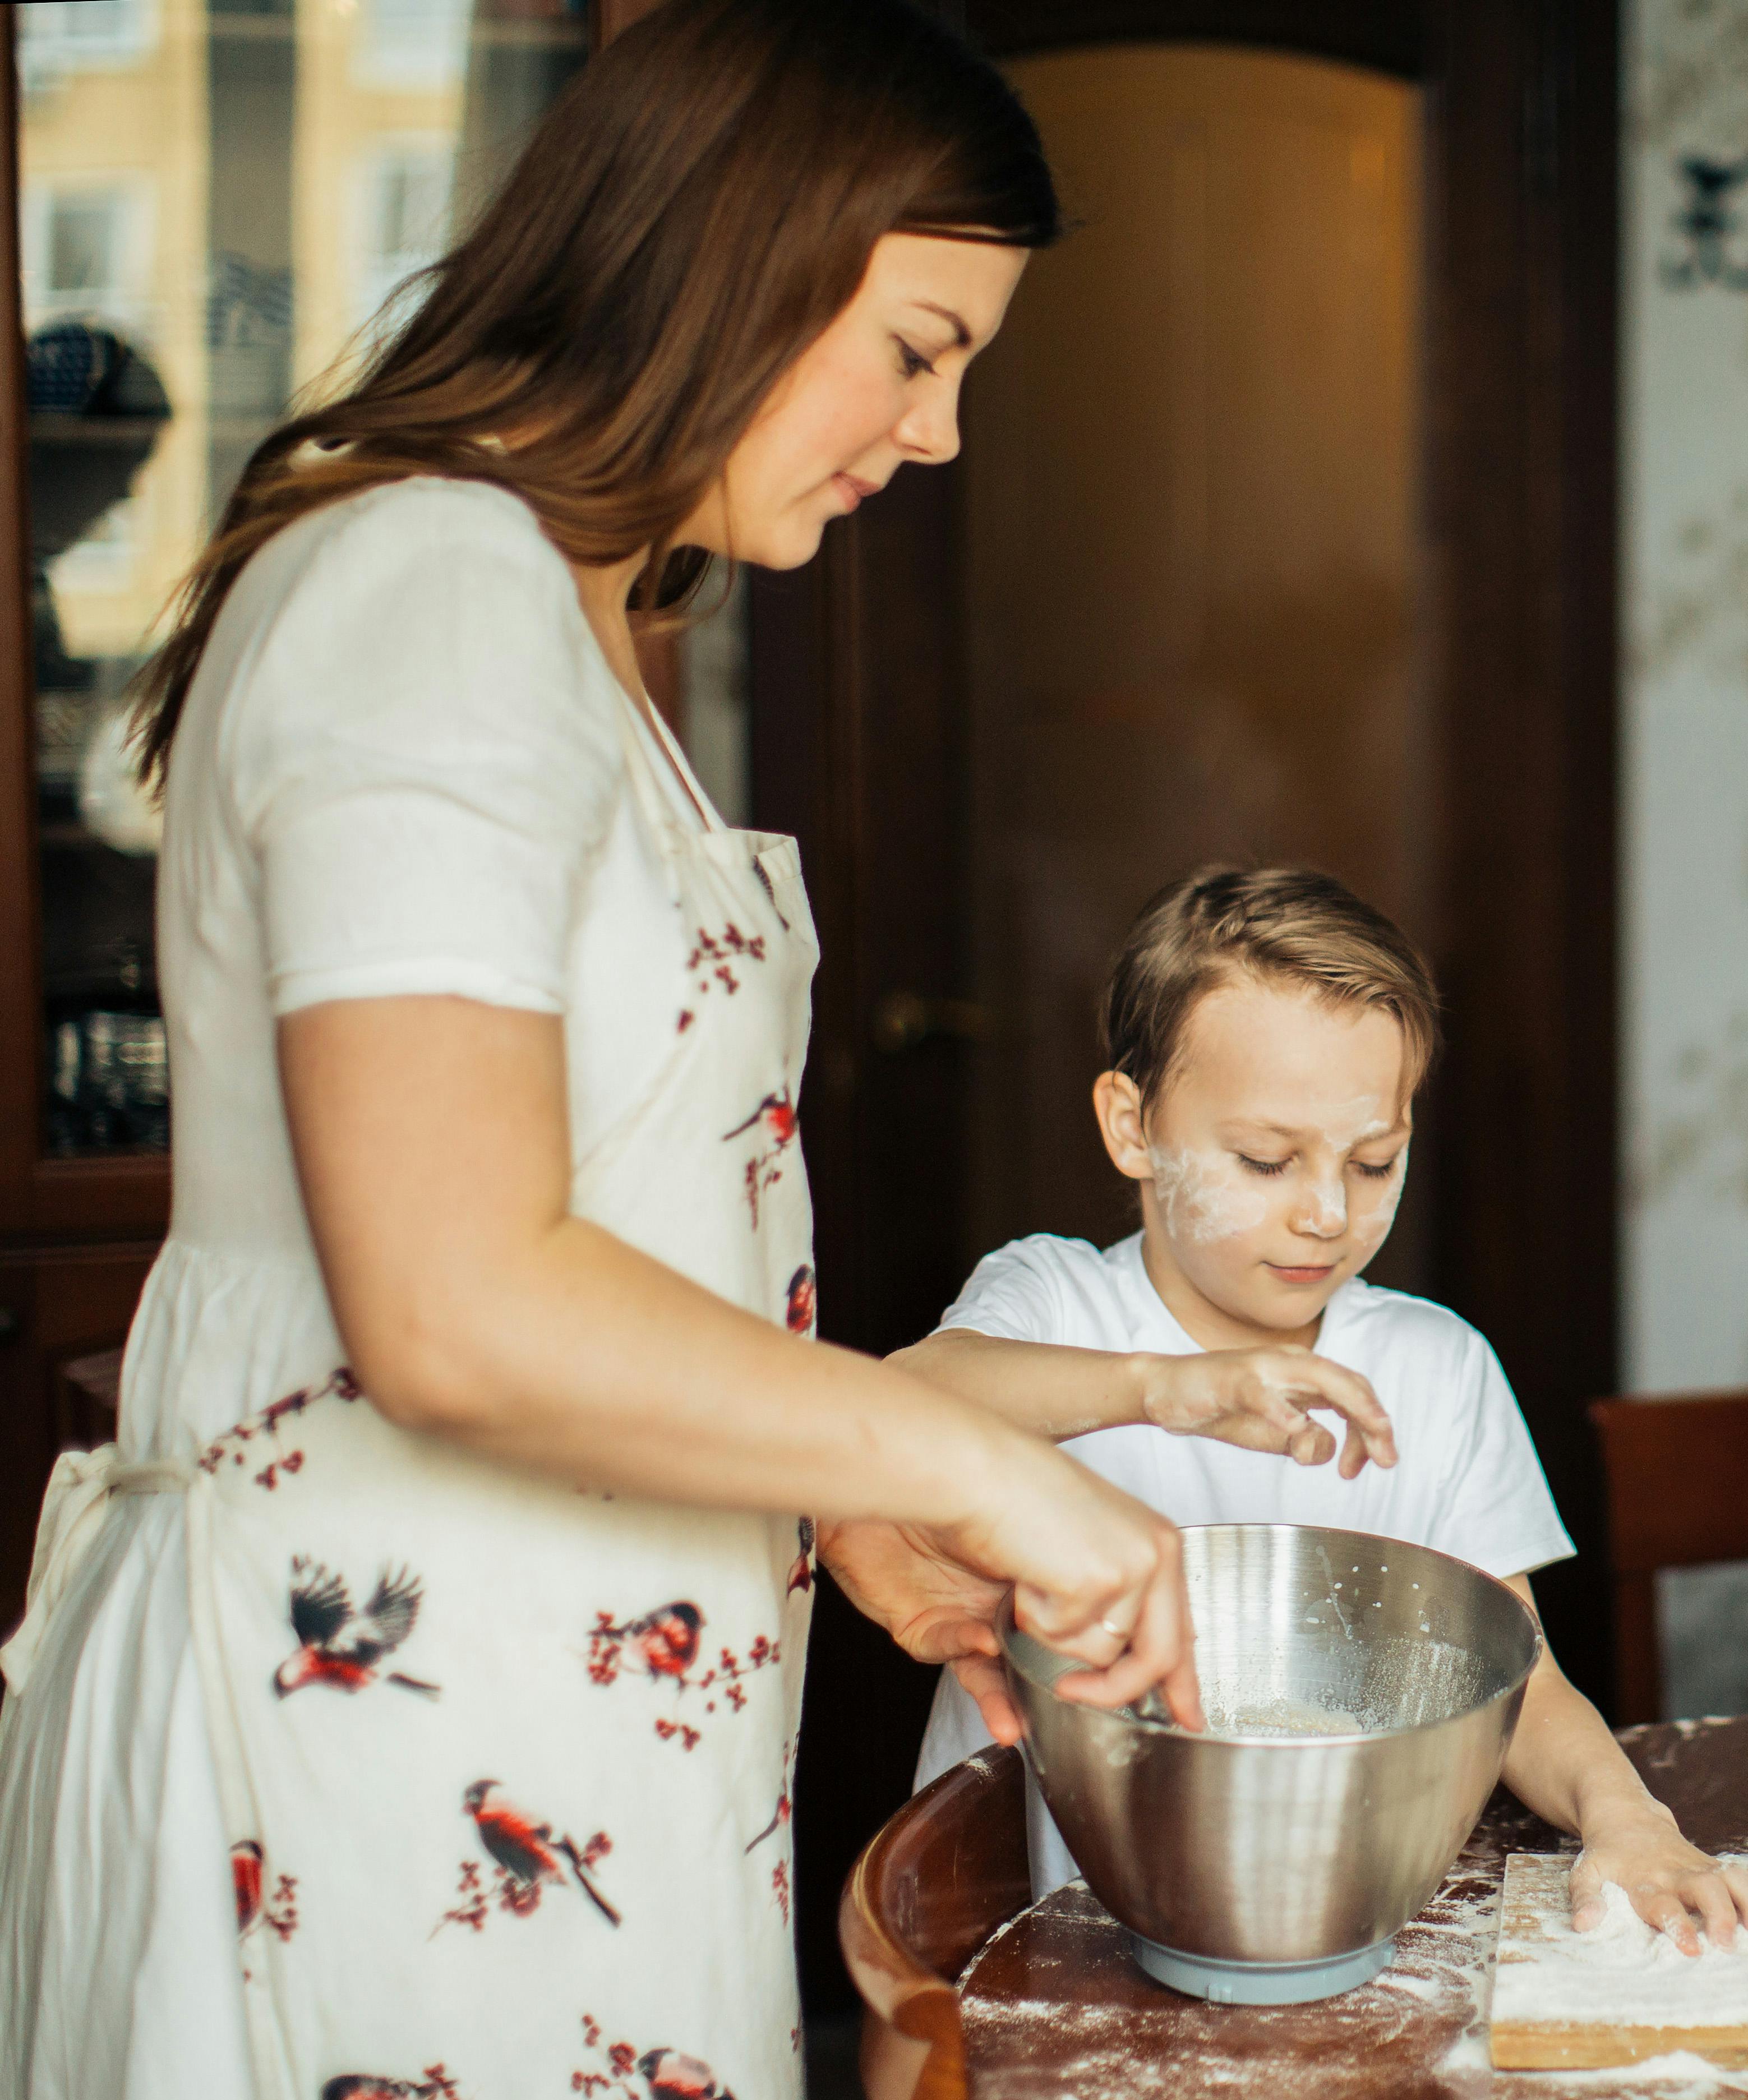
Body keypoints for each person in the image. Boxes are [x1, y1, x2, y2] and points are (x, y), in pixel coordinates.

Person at [0, 6, 1201, 2094]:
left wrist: (828, 1495)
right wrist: (980, 1463)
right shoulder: (431, 587)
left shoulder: (553, 608)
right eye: (919, 346)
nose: (934, 435)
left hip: (541, 1709)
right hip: (386, 1727)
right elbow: (455, 1302)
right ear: (727, 253)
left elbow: (611, 1222)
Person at [901, 866, 1748, 1950]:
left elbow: (1521, 1684)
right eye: (1265, 1159)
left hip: (1324, 1923)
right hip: (1050, 1941)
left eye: (1374, 1161)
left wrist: (1629, 1817)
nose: (1326, 1213)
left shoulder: (1434, 1366)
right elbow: (899, 1404)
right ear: (1132, 1127)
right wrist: (1162, 1387)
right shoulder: (1052, 1302)